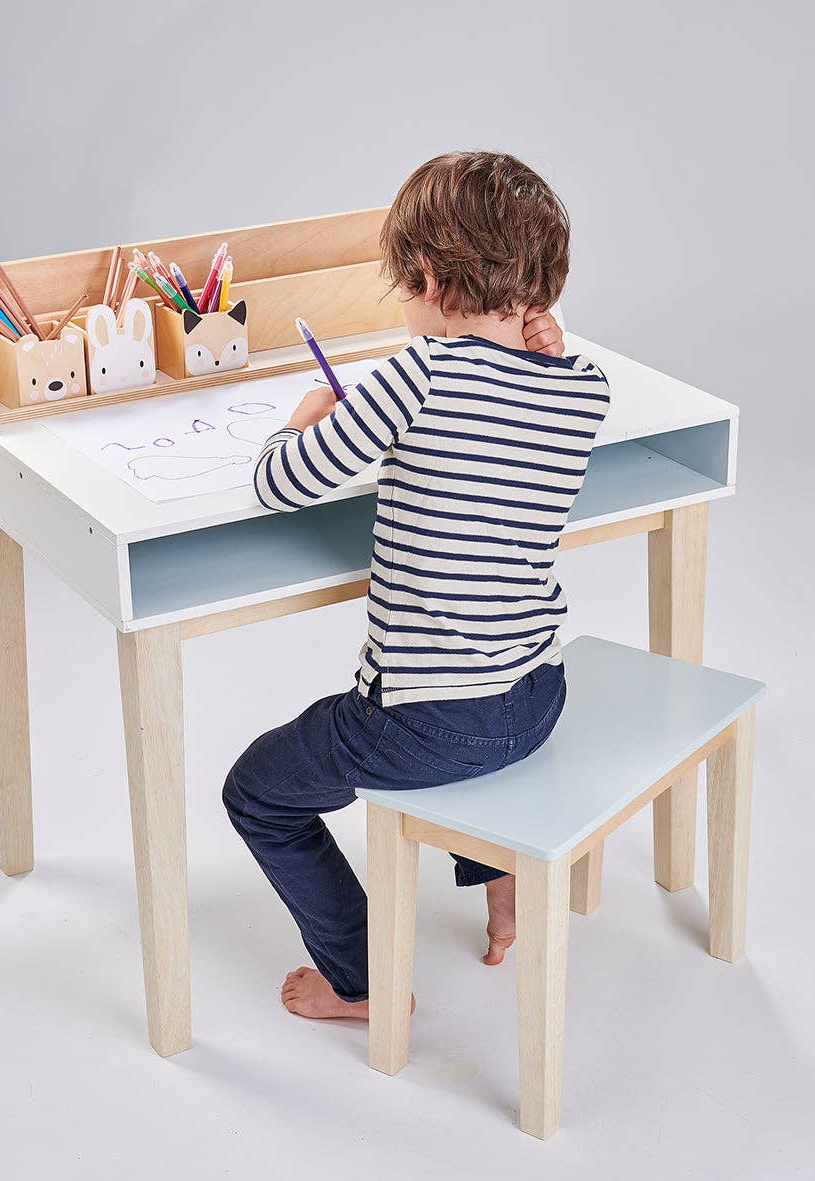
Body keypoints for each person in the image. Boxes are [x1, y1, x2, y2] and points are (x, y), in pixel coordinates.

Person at [223, 151, 609, 1019]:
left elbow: (282, 484)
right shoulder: (582, 386)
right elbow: (543, 388)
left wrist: (296, 426)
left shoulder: (419, 371)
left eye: (404, 288)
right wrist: (549, 348)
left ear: (428, 278)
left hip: (429, 722)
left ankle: (363, 983)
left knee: (256, 792)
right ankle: (500, 882)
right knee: (472, 724)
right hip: (535, 696)